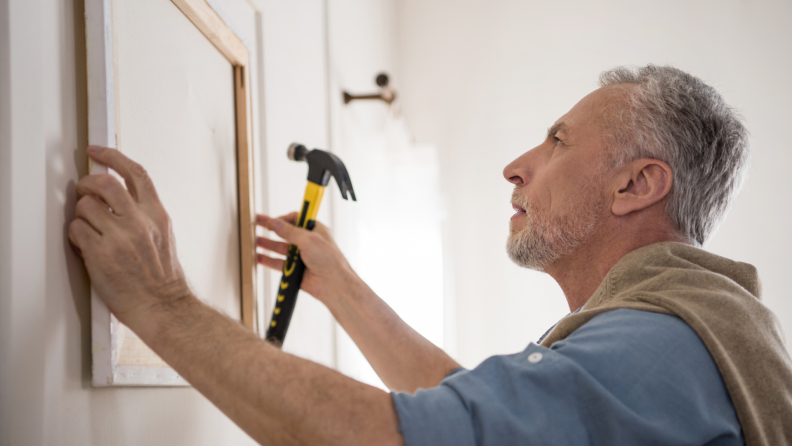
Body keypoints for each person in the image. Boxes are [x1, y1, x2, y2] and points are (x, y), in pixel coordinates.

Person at [68, 65, 792, 445]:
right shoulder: (686, 339)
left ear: (636, 185)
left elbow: (391, 441)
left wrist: (164, 307)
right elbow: (474, 409)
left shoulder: (653, 349)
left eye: (558, 141)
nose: (516, 166)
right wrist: (344, 288)